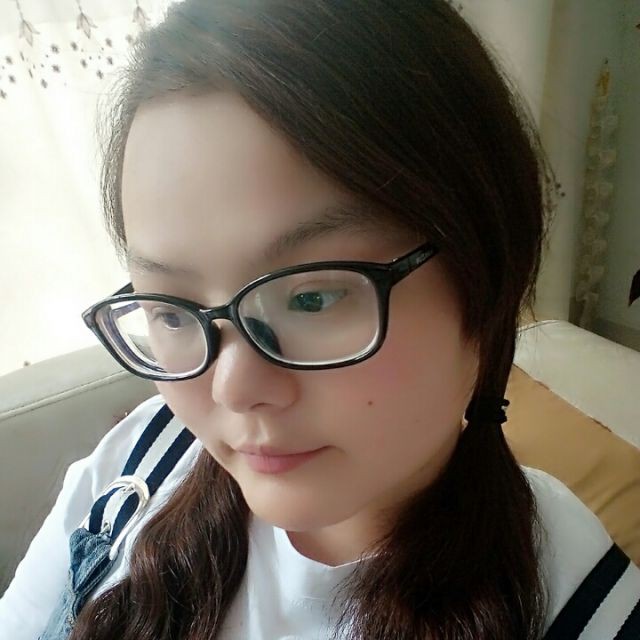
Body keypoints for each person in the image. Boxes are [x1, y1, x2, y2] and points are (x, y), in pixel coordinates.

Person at [1, 1, 638, 638]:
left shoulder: (582, 606)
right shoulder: (141, 458)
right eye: (172, 311)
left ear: (487, 275)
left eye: (311, 298)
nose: (232, 389)